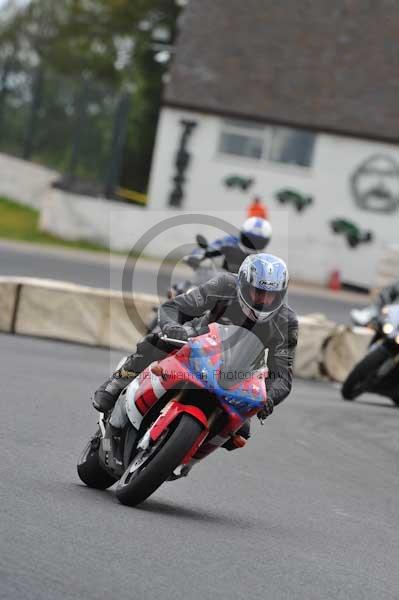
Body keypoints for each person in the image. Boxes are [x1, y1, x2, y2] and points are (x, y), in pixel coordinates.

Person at [94, 253, 298, 451]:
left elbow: (282, 374)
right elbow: (175, 307)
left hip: (238, 373)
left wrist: (269, 399)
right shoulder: (225, 285)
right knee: (156, 343)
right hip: (199, 341)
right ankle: (118, 380)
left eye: (270, 295)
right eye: (258, 292)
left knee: (240, 433)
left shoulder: (286, 322)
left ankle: (186, 452)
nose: (263, 300)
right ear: (244, 284)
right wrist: (173, 327)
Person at [187, 217, 272, 274]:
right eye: (249, 239)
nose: (253, 243)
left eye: (258, 241)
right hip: (217, 278)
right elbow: (211, 248)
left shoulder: (263, 259)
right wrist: (197, 256)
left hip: (243, 290)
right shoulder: (229, 242)